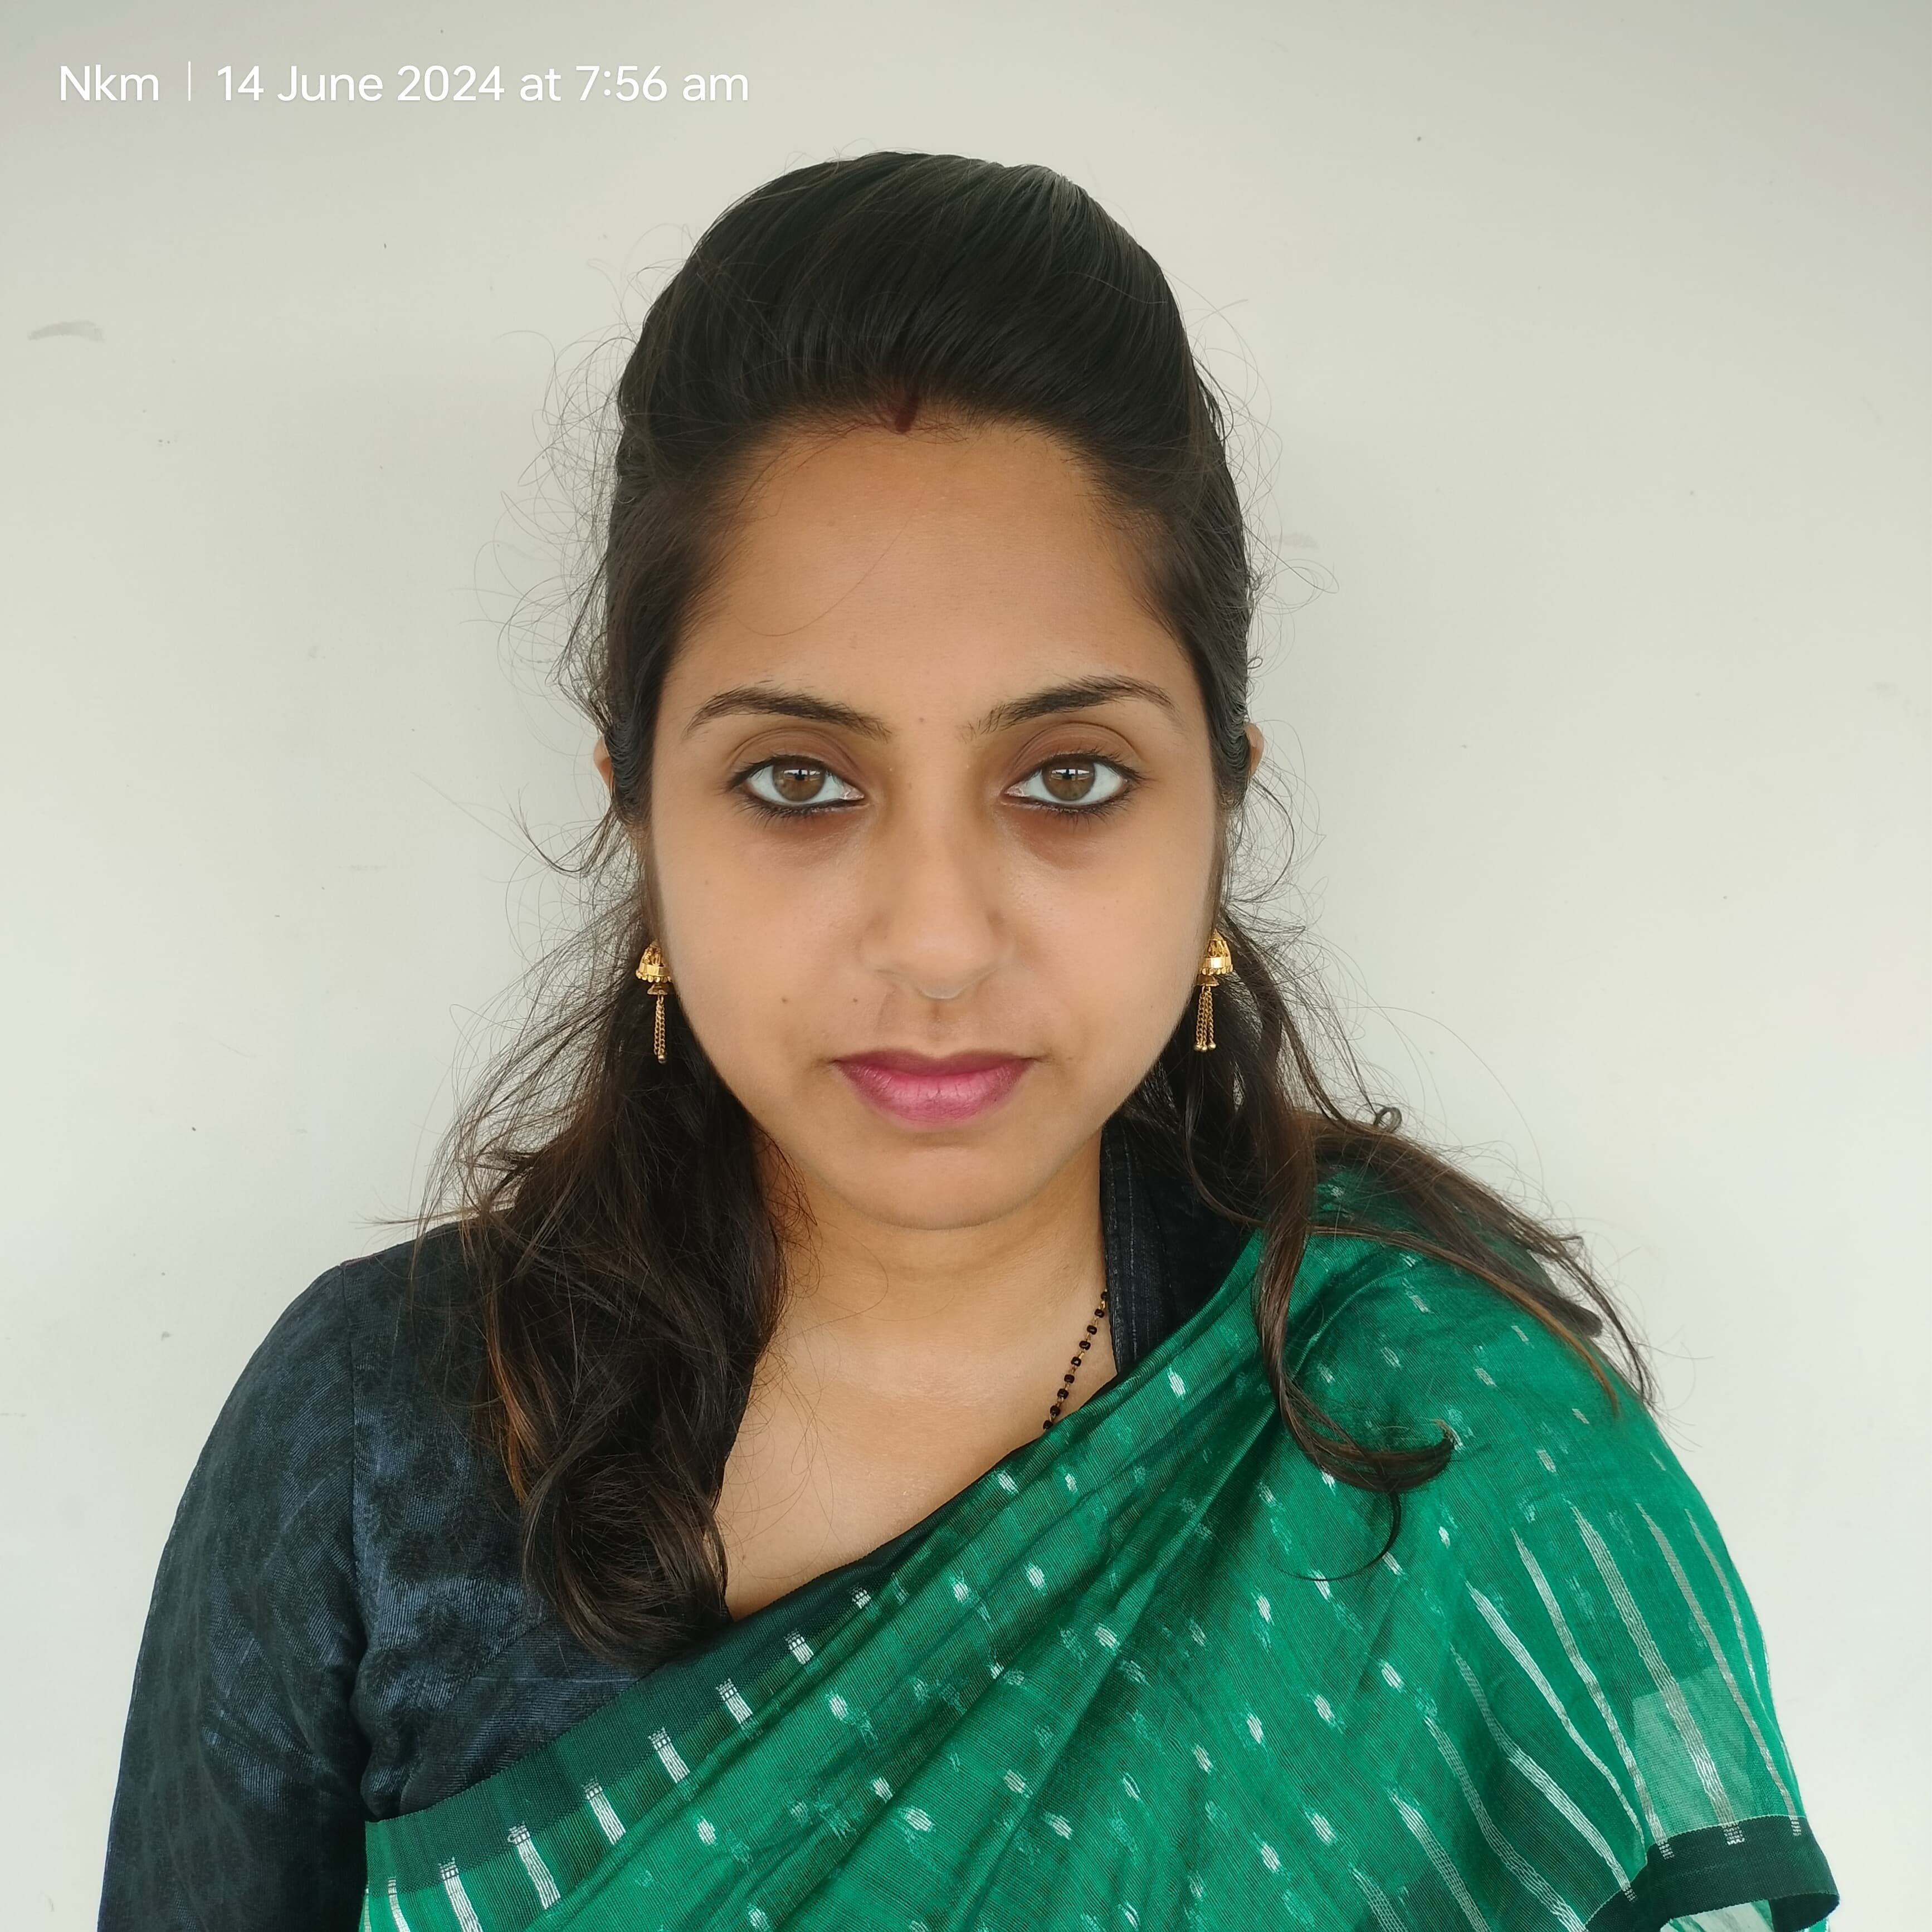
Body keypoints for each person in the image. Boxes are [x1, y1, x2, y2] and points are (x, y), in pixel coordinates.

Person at [99, 152, 1837, 1932]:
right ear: (638, 812)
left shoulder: (1450, 1441)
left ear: (1219, 807)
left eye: (1067, 777)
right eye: (798, 782)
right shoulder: (383, 1441)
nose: (935, 939)